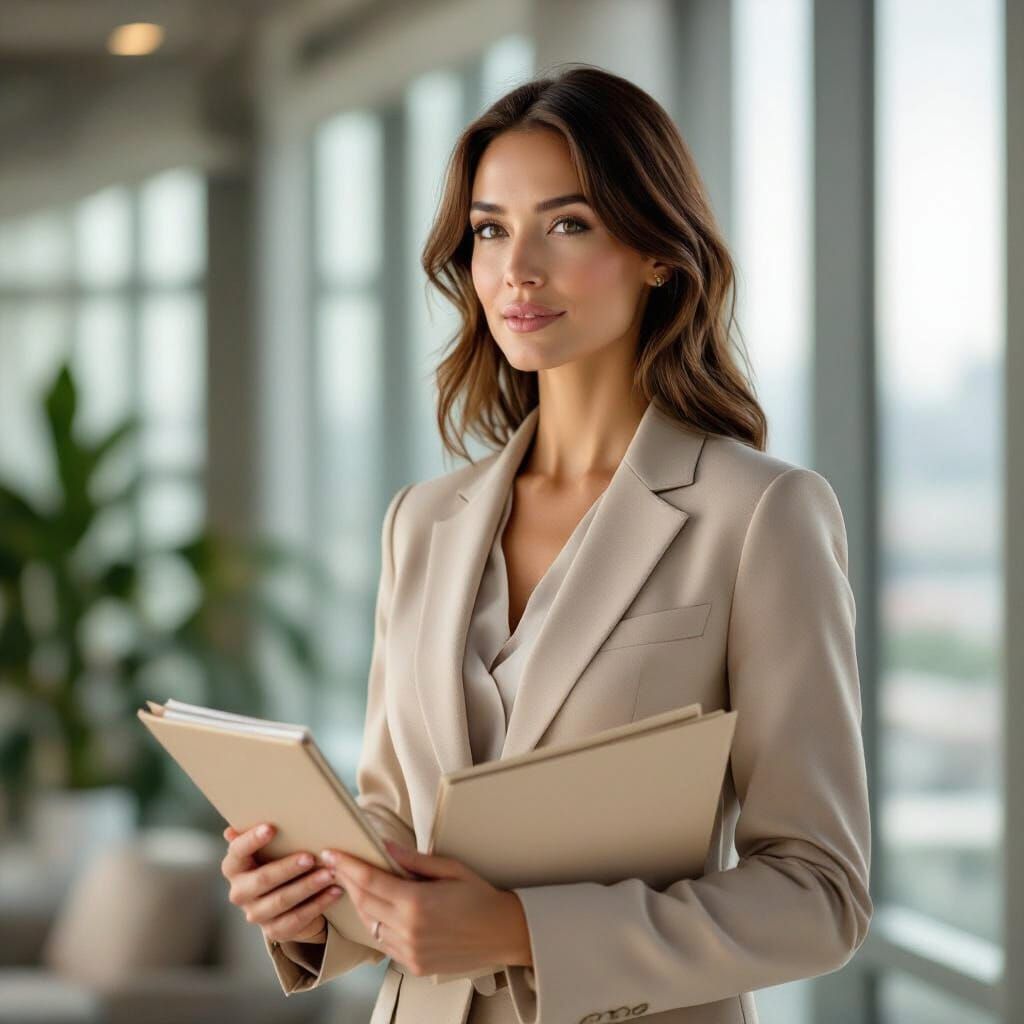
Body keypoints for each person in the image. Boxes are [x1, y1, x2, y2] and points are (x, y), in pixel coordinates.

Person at [221, 62, 873, 1023]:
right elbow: (399, 824)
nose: (517, 269)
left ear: (659, 252)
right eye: (491, 230)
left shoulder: (761, 516)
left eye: (568, 224)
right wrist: (309, 901)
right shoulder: (423, 520)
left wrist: (521, 930)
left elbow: (820, 896)